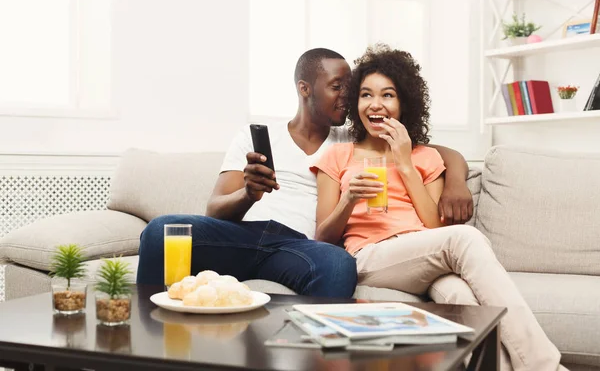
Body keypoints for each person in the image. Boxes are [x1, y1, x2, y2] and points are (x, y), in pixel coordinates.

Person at [136, 48, 473, 298]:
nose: (349, 97)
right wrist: (248, 194)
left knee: (340, 265)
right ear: (305, 89)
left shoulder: (350, 141)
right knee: (159, 232)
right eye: (338, 87)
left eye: (351, 89)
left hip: (299, 247)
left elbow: (433, 152)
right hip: (240, 238)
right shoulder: (255, 138)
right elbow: (215, 209)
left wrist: (457, 182)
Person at [312, 44, 564, 370]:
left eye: (387, 95)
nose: (376, 104)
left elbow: (432, 227)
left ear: (404, 103)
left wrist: (404, 162)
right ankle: (546, 366)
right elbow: (321, 239)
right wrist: (348, 201)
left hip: (423, 256)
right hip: (370, 255)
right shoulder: (338, 156)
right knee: (465, 238)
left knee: (461, 298)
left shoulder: (426, 157)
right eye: (366, 95)